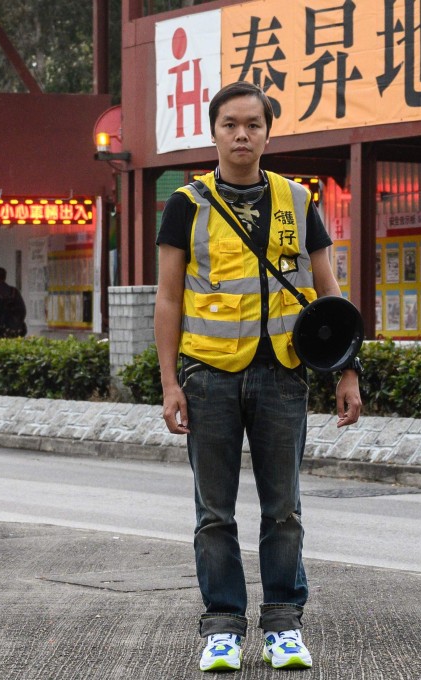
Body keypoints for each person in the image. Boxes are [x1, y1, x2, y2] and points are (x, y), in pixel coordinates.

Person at [154, 81, 362, 673]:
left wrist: (346, 372)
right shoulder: (185, 203)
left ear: (269, 131)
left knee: (284, 509)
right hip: (208, 378)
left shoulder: (298, 199)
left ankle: (282, 626)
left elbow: (330, 294)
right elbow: (168, 299)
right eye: (230, 125)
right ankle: (222, 628)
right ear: (213, 131)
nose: (242, 134)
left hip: (283, 376)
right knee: (213, 513)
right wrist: (170, 383)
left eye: (253, 124)